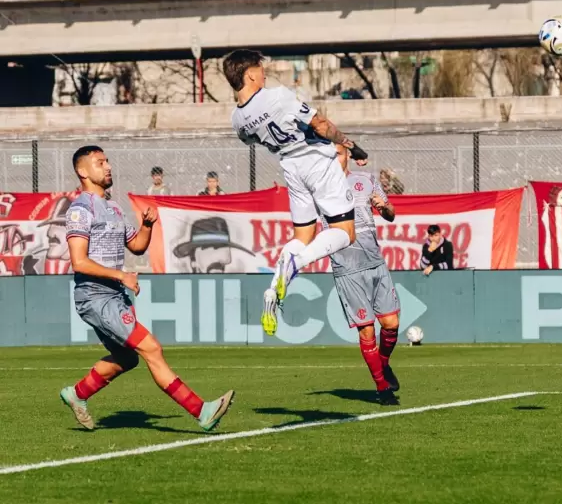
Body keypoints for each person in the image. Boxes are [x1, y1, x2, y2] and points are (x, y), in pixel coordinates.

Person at [60, 145, 234, 432]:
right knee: (151, 347)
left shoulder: (113, 207)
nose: (108, 166)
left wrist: (148, 225)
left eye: (107, 161)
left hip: (112, 294)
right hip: (95, 296)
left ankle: (77, 394)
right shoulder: (81, 209)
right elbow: (79, 262)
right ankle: (201, 410)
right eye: (99, 162)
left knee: (127, 359)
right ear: (82, 171)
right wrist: (122, 275)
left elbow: (137, 246)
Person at [223, 49, 365, 335]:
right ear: (249, 74)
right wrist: (349, 144)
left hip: (290, 167)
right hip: (316, 161)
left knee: (302, 235)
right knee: (345, 232)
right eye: (260, 68)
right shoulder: (277, 96)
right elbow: (319, 123)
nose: (264, 73)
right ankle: (295, 263)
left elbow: (250, 138)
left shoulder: (237, 119)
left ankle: (272, 291)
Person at [328, 144, 400, 405]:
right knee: (367, 330)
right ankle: (382, 388)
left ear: (347, 155)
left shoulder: (367, 180)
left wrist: (384, 207)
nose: (334, 158)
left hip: (375, 261)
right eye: (330, 154)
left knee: (391, 324)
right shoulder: (319, 188)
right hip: (347, 267)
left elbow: (391, 214)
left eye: (337, 153)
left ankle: (383, 364)